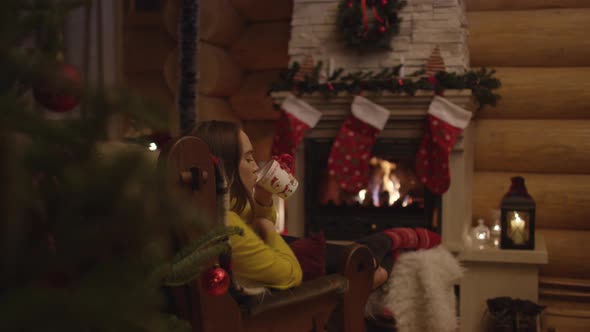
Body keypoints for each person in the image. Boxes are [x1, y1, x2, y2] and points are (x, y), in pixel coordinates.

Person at [192, 121, 438, 291]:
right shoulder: (227, 225)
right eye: (247, 158)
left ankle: (383, 249)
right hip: (285, 294)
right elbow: (291, 275)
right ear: (222, 168)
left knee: (350, 250)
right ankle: (386, 250)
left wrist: (264, 196)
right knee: (356, 255)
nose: (256, 165)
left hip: (268, 259)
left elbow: (251, 217)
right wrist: (267, 227)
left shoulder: (215, 207)